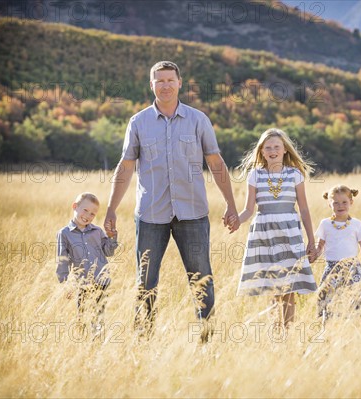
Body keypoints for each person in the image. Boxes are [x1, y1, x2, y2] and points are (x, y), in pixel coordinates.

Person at [103, 61, 240, 336]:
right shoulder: (138, 122)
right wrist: (111, 209)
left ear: (180, 83)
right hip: (151, 215)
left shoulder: (198, 120)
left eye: (170, 80)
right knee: (146, 281)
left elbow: (215, 161)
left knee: (202, 279)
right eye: (159, 80)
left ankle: (207, 338)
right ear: (151, 85)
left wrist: (231, 204)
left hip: (193, 214)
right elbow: (126, 166)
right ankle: (144, 337)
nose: (165, 85)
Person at [234, 128, 317, 328]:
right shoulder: (255, 175)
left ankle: (288, 330)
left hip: (289, 232)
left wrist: (311, 240)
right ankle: (275, 330)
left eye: (277, 147)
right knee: (272, 286)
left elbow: (304, 209)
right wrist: (236, 220)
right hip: (264, 234)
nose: (273, 151)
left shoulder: (295, 174)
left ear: (285, 150)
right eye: (268, 147)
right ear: (262, 151)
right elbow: (248, 209)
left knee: (288, 286)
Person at [315, 185, 361, 321]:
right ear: (329, 204)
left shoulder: (356, 224)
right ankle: (327, 331)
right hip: (332, 268)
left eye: (344, 202)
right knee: (328, 304)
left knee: (356, 303)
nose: (340, 206)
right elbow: (319, 246)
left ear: (351, 202)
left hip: (352, 268)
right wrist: (313, 253)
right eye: (335, 203)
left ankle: (354, 329)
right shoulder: (325, 224)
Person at [57, 192, 118, 332]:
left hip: (101, 281)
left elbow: (109, 252)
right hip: (82, 283)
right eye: (85, 210)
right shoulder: (65, 233)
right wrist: (65, 284)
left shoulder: (97, 231)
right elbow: (62, 260)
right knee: (82, 316)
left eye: (92, 214)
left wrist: (112, 238)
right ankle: (82, 342)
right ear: (75, 207)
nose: (87, 216)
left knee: (98, 317)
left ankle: (97, 342)